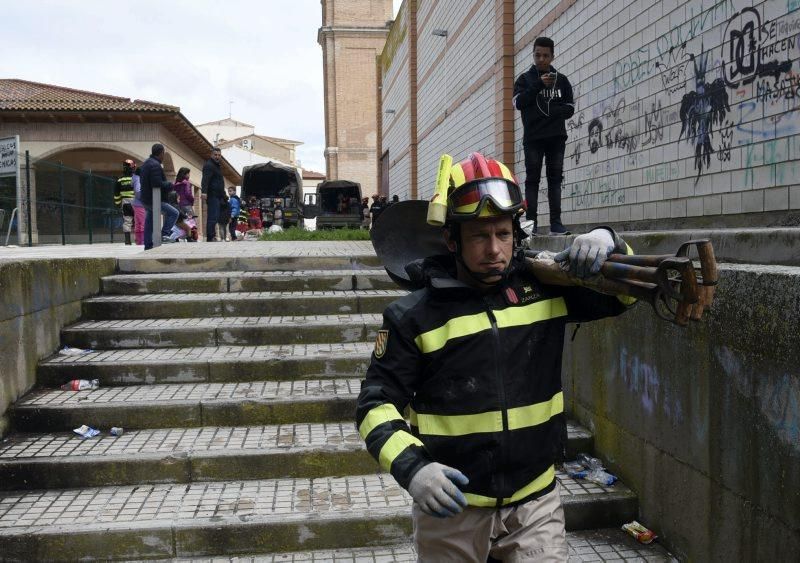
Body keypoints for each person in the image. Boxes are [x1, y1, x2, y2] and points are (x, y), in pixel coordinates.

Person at [355, 152, 634, 562]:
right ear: (451, 240)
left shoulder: (547, 290)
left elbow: (625, 297)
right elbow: (375, 406)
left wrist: (610, 241)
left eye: (503, 233)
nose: (494, 250)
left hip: (535, 503)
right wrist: (414, 470)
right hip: (452, 509)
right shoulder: (411, 317)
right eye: (478, 236)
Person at [513, 36, 575, 235]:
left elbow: (570, 108)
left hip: (556, 137)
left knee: (555, 179)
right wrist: (539, 85)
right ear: (533, 55)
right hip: (533, 139)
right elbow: (518, 103)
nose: (541, 59)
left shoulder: (562, 80)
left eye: (545, 55)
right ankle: (531, 224)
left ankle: (556, 223)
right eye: (537, 55)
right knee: (532, 180)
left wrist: (552, 113)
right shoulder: (525, 80)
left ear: (552, 56)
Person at [139, 143, 178, 250]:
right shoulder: (155, 165)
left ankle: (148, 245)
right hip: (154, 200)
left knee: (149, 222)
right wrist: (170, 185)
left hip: (146, 198)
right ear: (161, 153)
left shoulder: (147, 163)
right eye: (163, 153)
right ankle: (164, 235)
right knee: (174, 213)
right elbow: (156, 183)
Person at [201, 147, 225, 242]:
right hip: (212, 195)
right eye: (215, 155)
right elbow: (205, 180)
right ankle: (210, 237)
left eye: (219, 155)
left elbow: (219, 181)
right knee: (212, 217)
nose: (217, 157)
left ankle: (212, 236)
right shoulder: (209, 165)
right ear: (211, 155)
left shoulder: (217, 166)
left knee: (215, 217)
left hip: (218, 196)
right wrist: (204, 192)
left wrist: (223, 194)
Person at [113, 159, 136, 245]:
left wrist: (117, 204)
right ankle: (140, 240)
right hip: (136, 203)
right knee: (139, 220)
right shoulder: (136, 178)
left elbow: (116, 194)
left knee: (127, 221)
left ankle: (127, 240)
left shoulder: (120, 180)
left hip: (125, 203)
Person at [131, 165, 146, 245]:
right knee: (143, 222)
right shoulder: (138, 179)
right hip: (140, 204)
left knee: (138, 223)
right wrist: (144, 197)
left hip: (136, 204)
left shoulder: (135, 178)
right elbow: (138, 191)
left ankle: (138, 241)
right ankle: (142, 240)